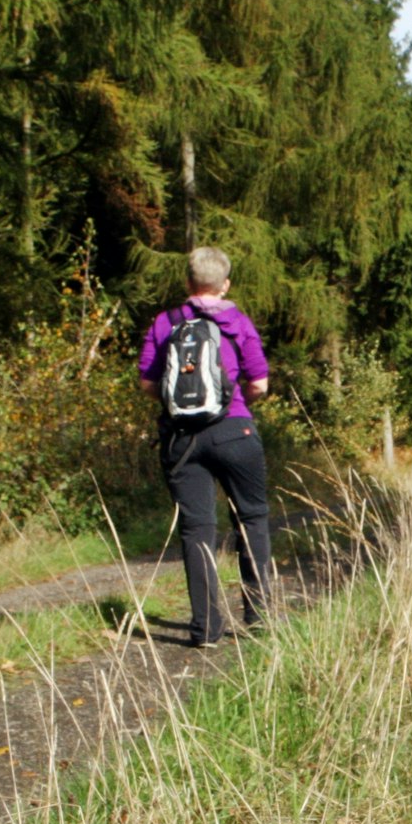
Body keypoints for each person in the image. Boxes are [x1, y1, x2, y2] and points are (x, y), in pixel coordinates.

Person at [138, 247, 272, 647]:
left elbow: (147, 383)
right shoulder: (238, 322)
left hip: (182, 438)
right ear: (225, 284)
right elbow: (259, 383)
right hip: (234, 430)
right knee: (251, 519)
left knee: (196, 529)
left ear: (188, 282)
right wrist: (235, 401)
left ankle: (205, 629)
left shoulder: (165, 322)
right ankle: (259, 618)